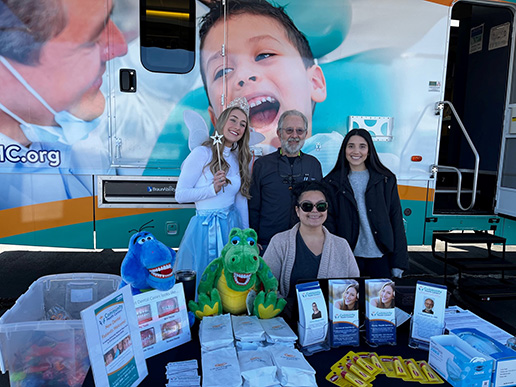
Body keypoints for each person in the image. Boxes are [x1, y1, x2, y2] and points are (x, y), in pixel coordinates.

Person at [0, 0, 128, 209]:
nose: (120, 48)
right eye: (89, 42)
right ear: (5, 75)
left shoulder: (83, 141)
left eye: (108, 21)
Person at [198, 0, 327, 155]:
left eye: (264, 55)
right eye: (223, 71)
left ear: (314, 83)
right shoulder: (211, 169)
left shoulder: (336, 158)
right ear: (216, 120)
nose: (244, 75)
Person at [174, 99, 252, 288]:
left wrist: (246, 236)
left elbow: (240, 201)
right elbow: (180, 194)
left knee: (229, 280)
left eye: (243, 124)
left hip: (231, 226)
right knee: (207, 280)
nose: (237, 127)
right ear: (222, 122)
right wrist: (212, 189)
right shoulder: (202, 153)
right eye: (233, 120)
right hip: (206, 228)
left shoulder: (237, 158)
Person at [325, 128, 409, 278]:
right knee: (349, 302)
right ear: (344, 150)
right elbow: (329, 224)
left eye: (362, 146)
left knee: (379, 302)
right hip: (347, 258)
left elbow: (396, 220)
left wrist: (398, 262)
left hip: (380, 257)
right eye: (351, 146)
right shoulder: (331, 182)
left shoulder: (386, 179)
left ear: (369, 150)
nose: (356, 151)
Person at [263, 181, 359, 301]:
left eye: (321, 206)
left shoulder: (342, 245)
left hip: (334, 318)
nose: (314, 211)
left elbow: (355, 286)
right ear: (297, 210)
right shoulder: (279, 242)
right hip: (287, 317)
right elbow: (265, 284)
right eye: (307, 206)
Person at [249, 110, 323, 252]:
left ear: (305, 134)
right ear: (279, 133)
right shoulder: (262, 165)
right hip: (268, 244)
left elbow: (320, 206)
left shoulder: (313, 165)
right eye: (289, 130)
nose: (294, 135)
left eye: (299, 131)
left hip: (305, 243)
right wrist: (253, 239)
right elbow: (253, 207)